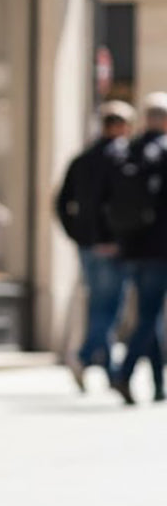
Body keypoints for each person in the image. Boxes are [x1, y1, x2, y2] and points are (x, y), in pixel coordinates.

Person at [54, 100, 135, 389]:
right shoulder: (122, 157)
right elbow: (119, 204)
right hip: (111, 245)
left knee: (99, 305)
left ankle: (96, 360)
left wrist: (79, 235)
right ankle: (88, 356)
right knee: (109, 307)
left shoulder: (82, 159)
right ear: (121, 126)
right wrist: (109, 239)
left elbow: (62, 204)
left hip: (88, 244)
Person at [107, 92, 167, 405]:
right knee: (148, 315)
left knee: (148, 312)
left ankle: (158, 384)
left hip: (130, 246)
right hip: (159, 248)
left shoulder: (128, 149)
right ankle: (124, 373)